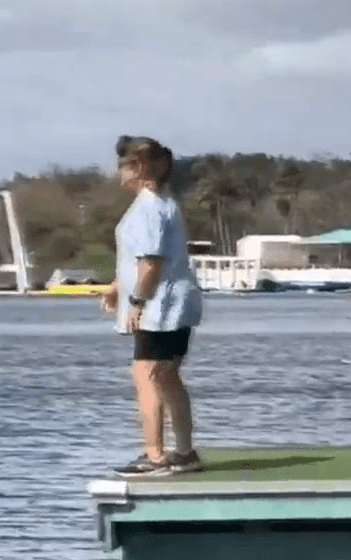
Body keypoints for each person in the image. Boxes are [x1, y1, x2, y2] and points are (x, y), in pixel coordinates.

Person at [100, 135, 203, 477]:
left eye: (124, 165)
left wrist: (137, 301)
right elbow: (149, 258)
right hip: (175, 302)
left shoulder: (149, 208)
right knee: (167, 377)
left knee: (147, 376)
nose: (119, 172)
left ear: (140, 167)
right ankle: (184, 452)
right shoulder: (161, 204)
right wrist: (118, 287)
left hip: (160, 307)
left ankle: (155, 456)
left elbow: (151, 263)